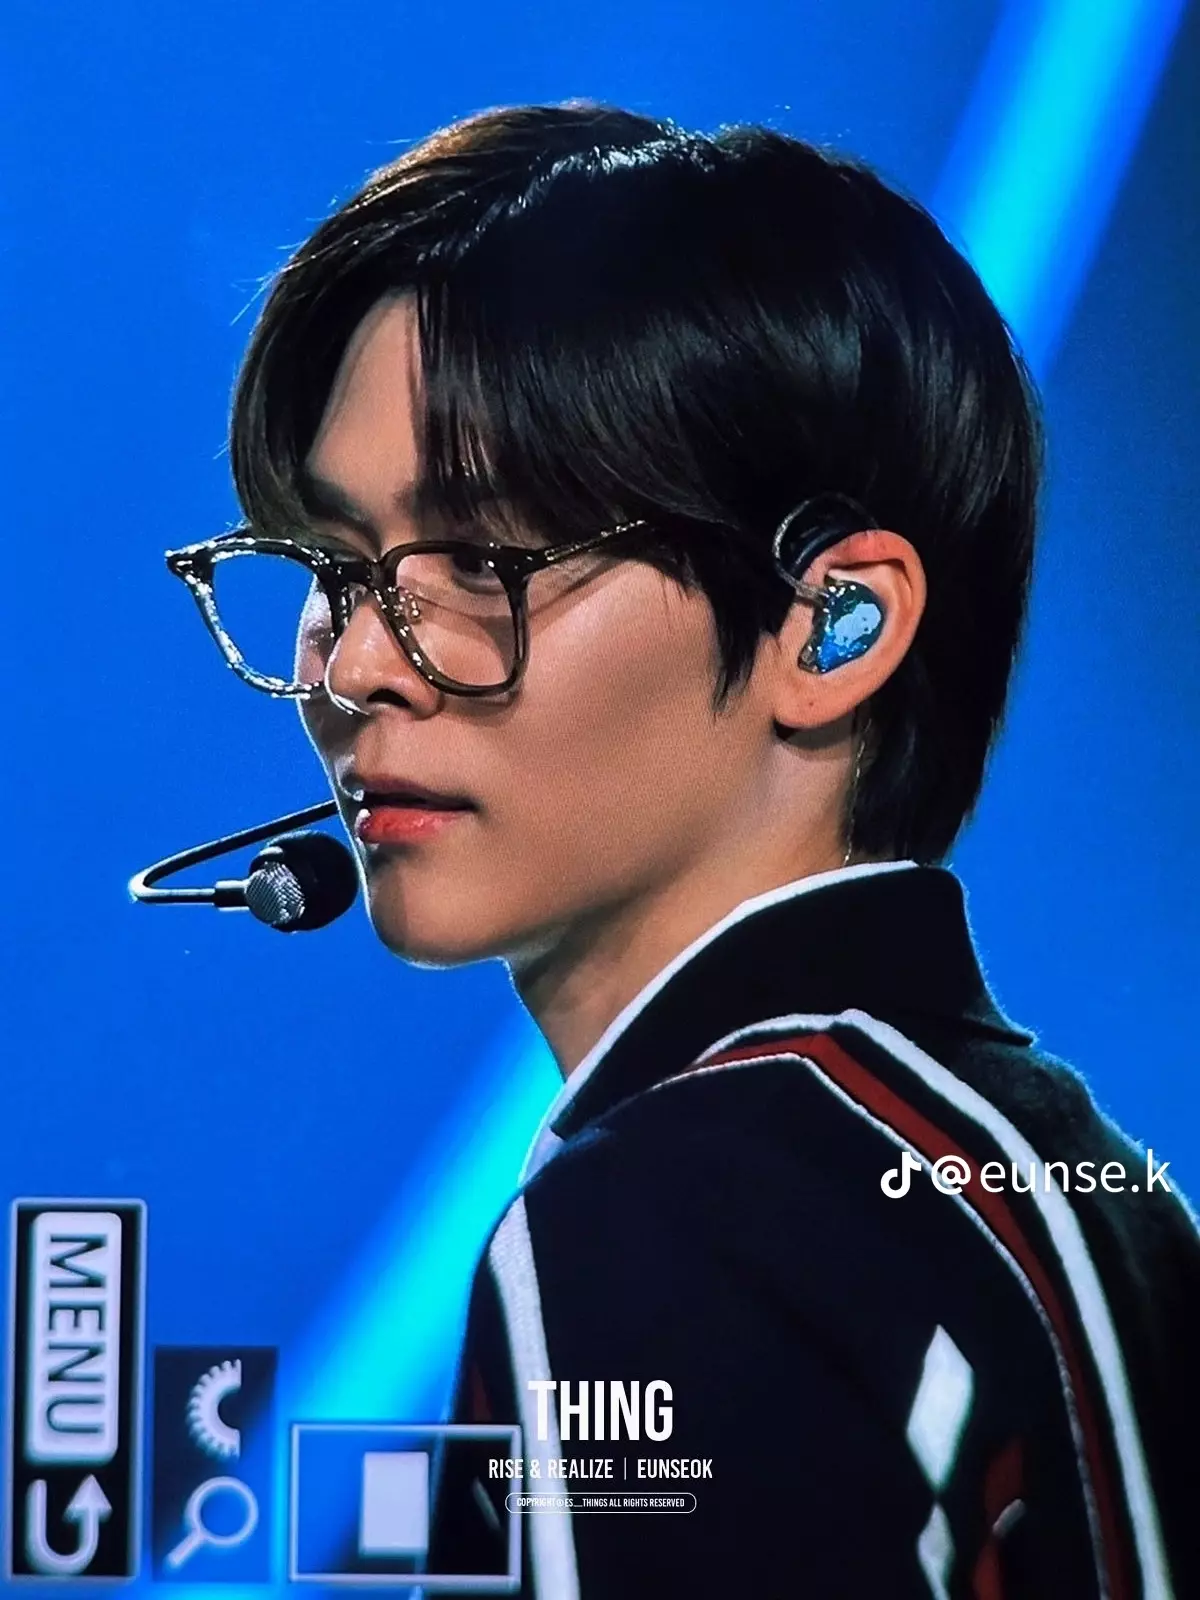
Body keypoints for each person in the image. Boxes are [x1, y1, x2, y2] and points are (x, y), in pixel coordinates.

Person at [170, 103, 1200, 1597]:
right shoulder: (1090, 1180)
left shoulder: (665, 1219)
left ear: (832, 627)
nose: (358, 666)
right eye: (335, 569)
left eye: (482, 563)